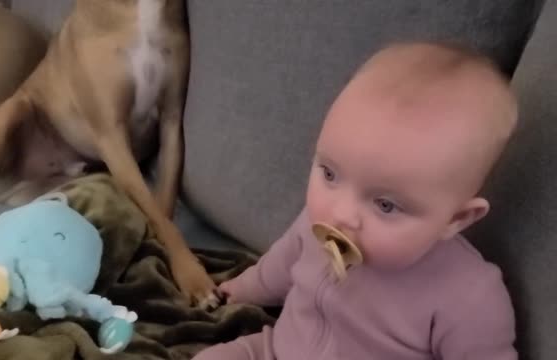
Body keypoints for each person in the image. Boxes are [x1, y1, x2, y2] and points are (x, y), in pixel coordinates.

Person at [194, 41, 519, 359]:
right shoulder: (313, 222)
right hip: (276, 350)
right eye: (330, 175)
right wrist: (238, 289)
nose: (341, 214)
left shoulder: (469, 296)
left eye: (385, 205)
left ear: (455, 220)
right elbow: (278, 268)